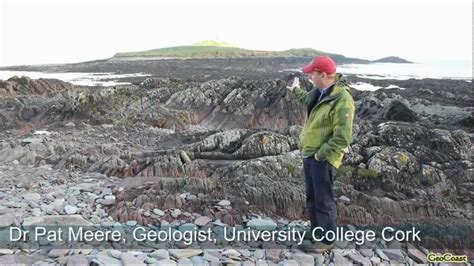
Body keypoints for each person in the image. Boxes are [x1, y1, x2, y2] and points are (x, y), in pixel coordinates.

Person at [287, 55, 355, 253]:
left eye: (312, 74)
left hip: (323, 157)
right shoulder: (320, 92)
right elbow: (307, 99)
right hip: (309, 153)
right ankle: (317, 231)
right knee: (312, 197)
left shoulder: (343, 100)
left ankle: (326, 240)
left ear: (323, 75)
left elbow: (343, 137)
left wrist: (320, 154)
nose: (310, 77)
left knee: (324, 199)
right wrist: (295, 90)